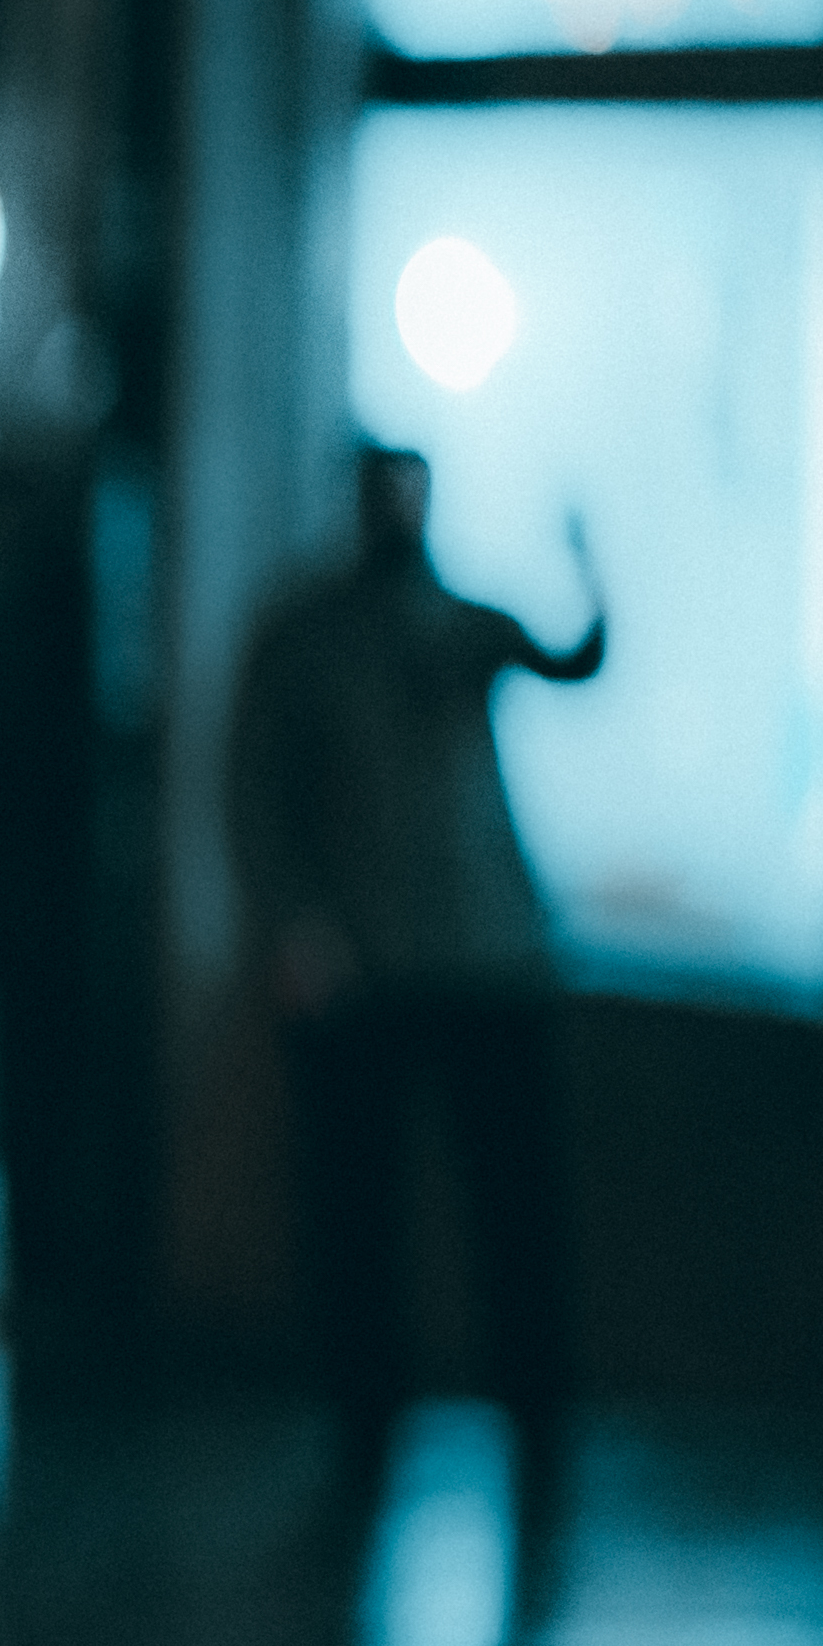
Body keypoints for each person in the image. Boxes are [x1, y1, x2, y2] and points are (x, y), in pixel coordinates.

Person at [226, 440, 605, 1480]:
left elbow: (571, 658)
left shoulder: (462, 625)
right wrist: (299, 927)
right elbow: (255, 796)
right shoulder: (306, 636)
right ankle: (364, 1422)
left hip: (490, 959)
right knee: (358, 1214)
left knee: (516, 1207)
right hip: (366, 967)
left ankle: (538, 1417)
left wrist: (587, 563)